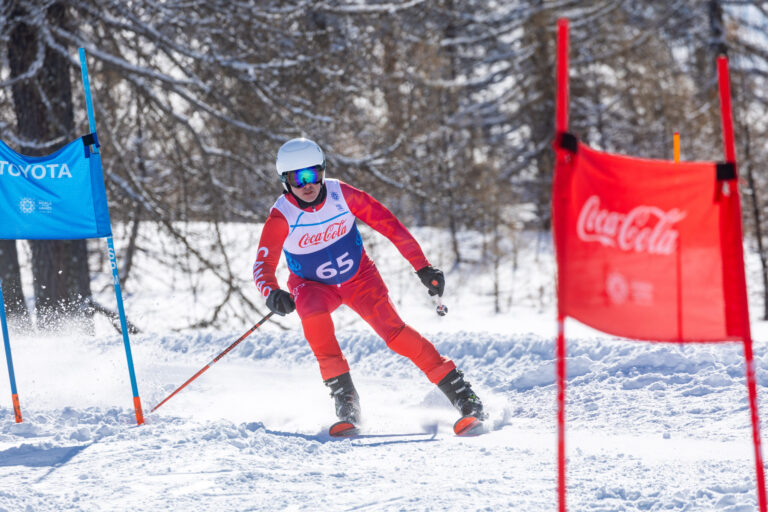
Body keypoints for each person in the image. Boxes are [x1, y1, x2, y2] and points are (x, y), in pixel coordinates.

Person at [253, 137, 485, 426]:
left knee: (396, 334)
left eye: (312, 174)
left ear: (323, 171)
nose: (306, 184)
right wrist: (272, 292)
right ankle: (346, 399)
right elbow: (262, 266)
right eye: (296, 179)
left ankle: (464, 396)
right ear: (285, 182)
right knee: (313, 316)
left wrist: (422, 267)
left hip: (359, 278)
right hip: (313, 286)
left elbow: (390, 226)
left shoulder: (343, 196)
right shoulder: (281, 216)